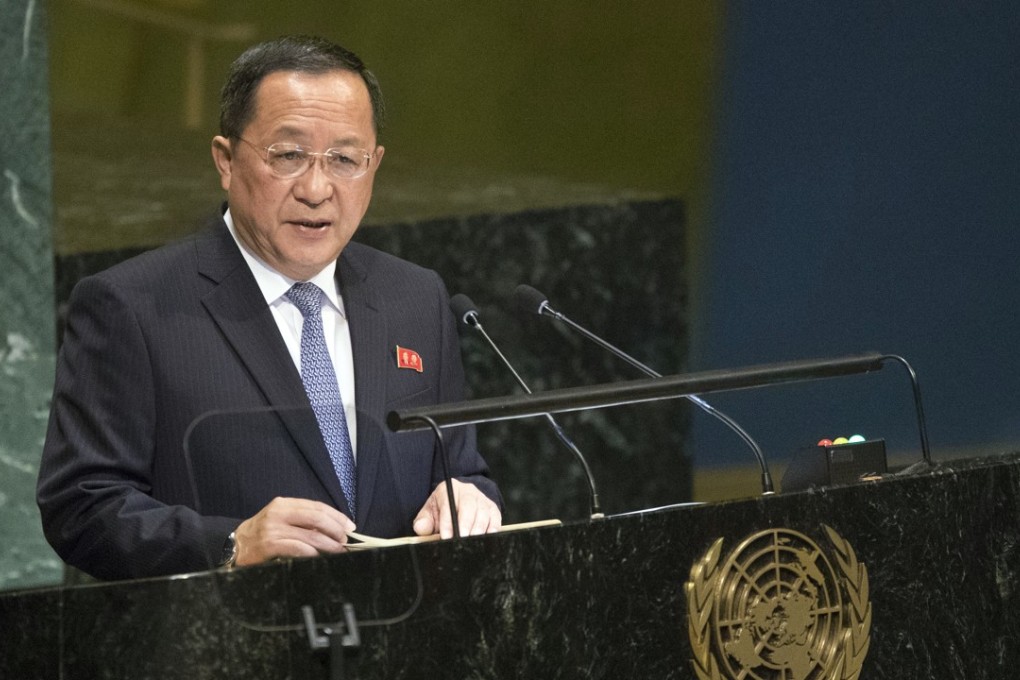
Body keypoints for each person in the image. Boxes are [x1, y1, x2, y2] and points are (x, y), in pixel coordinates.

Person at [36, 35, 502, 580]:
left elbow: (461, 468)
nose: (317, 187)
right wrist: (231, 544)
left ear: (375, 165)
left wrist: (467, 498)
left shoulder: (415, 297)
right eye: (288, 156)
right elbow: (82, 506)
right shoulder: (132, 306)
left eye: (345, 160)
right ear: (226, 160)